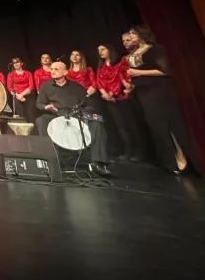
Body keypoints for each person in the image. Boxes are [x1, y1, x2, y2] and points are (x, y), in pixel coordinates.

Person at [123, 26, 198, 175]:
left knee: (167, 123)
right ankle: (170, 160)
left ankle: (182, 158)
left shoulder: (154, 50)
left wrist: (138, 72)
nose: (130, 37)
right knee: (156, 126)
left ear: (142, 34)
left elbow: (164, 70)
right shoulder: (133, 53)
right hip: (144, 93)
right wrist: (132, 86)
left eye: (133, 33)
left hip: (159, 91)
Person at [36, 61, 110, 176]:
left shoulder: (76, 86)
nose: (52, 71)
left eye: (56, 69)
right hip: (56, 114)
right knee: (41, 121)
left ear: (65, 72)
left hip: (75, 114)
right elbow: (39, 103)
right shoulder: (46, 86)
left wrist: (83, 112)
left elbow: (88, 103)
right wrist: (46, 107)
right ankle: (52, 160)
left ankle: (98, 163)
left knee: (97, 123)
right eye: (51, 69)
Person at [96, 43, 143, 162]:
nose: (100, 52)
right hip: (109, 100)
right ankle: (128, 151)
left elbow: (121, 79)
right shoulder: (101, 67)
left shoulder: (119, 63)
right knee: (120, 126)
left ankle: (140, 152)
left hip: (123, 98)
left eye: (103, 49)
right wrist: (105, 95)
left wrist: (112, 93)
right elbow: (99, 82)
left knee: (132, 124)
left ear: (110, 50)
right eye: (99, 50)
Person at [7, 57, 36, 123]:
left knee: (30, 115)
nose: (15, 64)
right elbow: (9, 87)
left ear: (22, 63)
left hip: (28, 95)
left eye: (17, 62)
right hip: (17, 96)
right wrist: (18, 96)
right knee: (20, 115)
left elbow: (31, 86)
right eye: (14, 63)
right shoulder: (11, 74)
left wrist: (22, 95)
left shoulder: (28, 73)